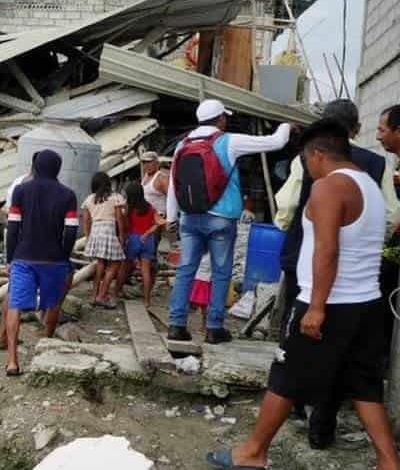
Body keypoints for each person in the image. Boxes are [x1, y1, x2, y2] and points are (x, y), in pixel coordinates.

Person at [207, 119, 400, 470]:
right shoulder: (370, 186)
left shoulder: (329, 188)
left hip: (330, 303)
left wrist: (316, 307)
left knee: (285, 376)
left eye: (307, 160)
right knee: (363, 384)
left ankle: (252, 453)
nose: (308, 169)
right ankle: (389, 461)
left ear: (318, 153)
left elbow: (326, 251)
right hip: (367, 302)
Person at [273, 99, 400, 448]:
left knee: (289, 363)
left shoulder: (319, 167)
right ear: (355, 129)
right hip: (364, 291)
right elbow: (391, 214)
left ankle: (269, 435)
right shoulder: (375, 166)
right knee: (355, 372)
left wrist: (292, 233)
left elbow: (288, 209)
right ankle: (323, 427)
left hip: (318, 282)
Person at [165, 99, 291, 344]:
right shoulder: (229, 141)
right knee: (221, 273)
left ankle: (176, 325)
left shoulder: (183, 144)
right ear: (220, 118)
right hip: (221, 219)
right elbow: (276, 142)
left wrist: (171, 218)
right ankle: (214, 328)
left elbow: (173, 184)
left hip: (189, 217)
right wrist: (286, 124)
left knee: (185, 271)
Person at [4, 150, 79, 376]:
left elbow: (13, 227)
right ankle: (45, 348)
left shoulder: (21, 191)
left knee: (15, 305)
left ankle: (12, 362)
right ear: (58, 168)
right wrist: (64, 255)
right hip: (54, 259)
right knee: (53, 304)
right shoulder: (68, 195)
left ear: (35, 166)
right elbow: (71, 230)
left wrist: (10, 258)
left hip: (24, 257)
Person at [0, 152, 38, 350]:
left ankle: (2, 336)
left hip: (15, 238)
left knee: (13, 288)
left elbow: (5, 209)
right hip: (24, 241)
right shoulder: (31, 186)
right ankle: (3, 339)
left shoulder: (18, 182)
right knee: (15, 292)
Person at [81, 171, 126, 309]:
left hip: (95, 231)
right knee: (116, 264)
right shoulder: (115, 197)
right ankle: (102, 294)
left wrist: (88, 236)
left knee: (100, 263)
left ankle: (94, 296)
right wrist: (122, 237)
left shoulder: (89, 199)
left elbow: (86, 220)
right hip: (108, 231)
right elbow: (119, 219)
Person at [117, 182, 164, 307]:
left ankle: (117, 292)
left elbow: (126, 226)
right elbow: (160, 222)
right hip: (148, 240)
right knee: (146, 271)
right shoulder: (151, 208)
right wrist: (148, 232)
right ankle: (147, 300)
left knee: (124, 268)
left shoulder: (129, 208)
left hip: (134, 239)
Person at [140, 151, 168, 216]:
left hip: (162, 218)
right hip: (149, 219)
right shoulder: (145, 177)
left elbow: (172, 199)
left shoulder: (162, 178)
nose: (146, 165)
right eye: (144, 162)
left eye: (149, 162)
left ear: (157, 163)